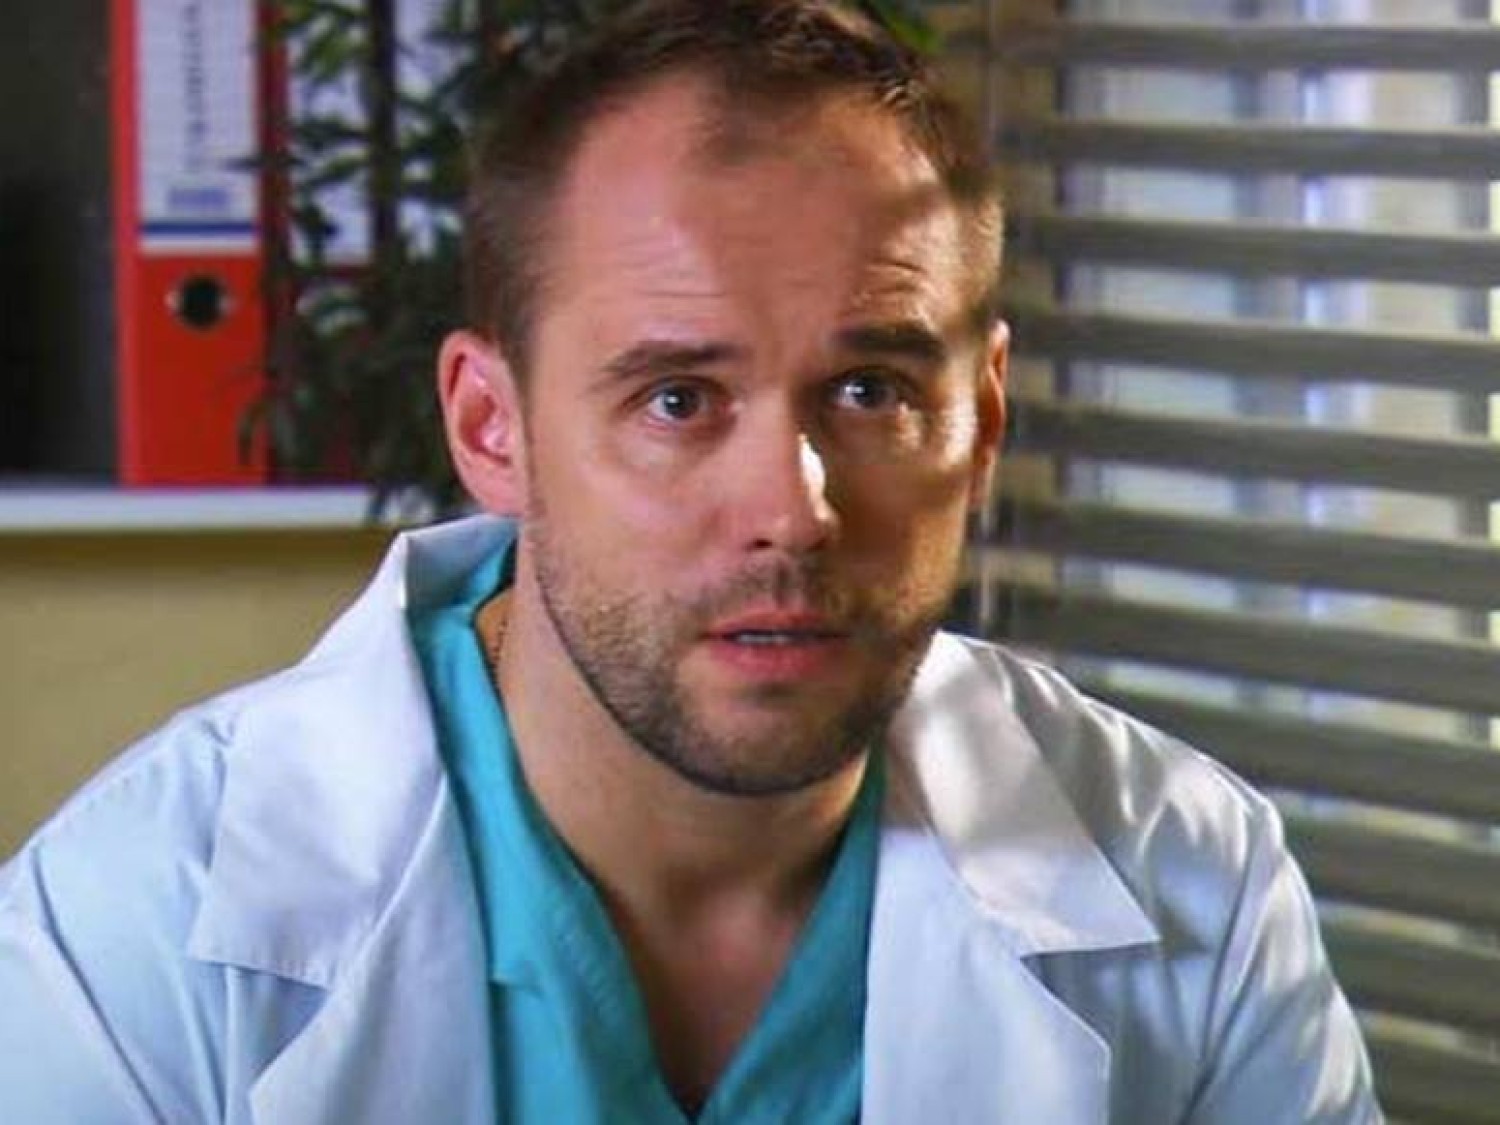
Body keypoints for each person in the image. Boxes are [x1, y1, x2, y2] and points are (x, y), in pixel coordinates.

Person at [0, 2, 1380, 1122]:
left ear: (986, 421)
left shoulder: (1191, 880)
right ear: (491, 428)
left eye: (872, 392)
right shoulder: (131, 925)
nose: (793, 509)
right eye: (677, 399)